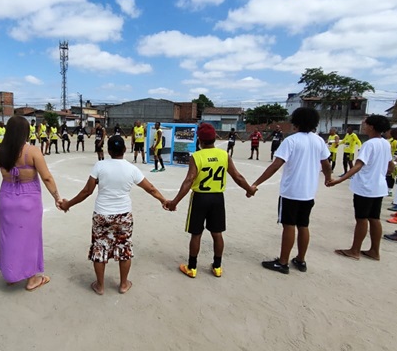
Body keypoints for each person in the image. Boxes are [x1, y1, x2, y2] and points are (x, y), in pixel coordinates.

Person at [59, 136, 166, 295]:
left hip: (102, 214)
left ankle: (100, 286)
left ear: (108, 151)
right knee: (124, 248)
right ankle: (123, 284)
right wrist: (164, 200)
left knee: (99, 248)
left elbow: (87, 192)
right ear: (124, 150)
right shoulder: (131, 169)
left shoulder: (99, 166)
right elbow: (150, 188)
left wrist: (68, 204)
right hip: (123, 216)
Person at [0, 116, 62, 291]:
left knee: (9, 237)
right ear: (26, 132)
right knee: (30, 238)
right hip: (29, 201)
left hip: (7, 199)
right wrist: (57, 197)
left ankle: (11, 275)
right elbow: (47, 177)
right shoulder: (33, 151)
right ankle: (32, 279)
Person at [165, 123, 254, 278]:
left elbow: (189, 181)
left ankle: (192, 267)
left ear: (200, 140)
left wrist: (175, 202)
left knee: (196, 234)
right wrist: (249, 189)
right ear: (214, 138)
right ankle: (217, 266)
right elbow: (238, 177)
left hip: (200, 198)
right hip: (217, 198)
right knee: (217, 233)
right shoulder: (224, 155)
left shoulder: (196, 156)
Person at [250, 107, 332, 274]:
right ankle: (301, 260)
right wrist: (329, 178)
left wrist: (256, 183)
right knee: (304, 225)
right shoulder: (319, 141)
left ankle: (283, 262)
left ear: (296, 123)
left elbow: (275, 166)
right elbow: (326, 164)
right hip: (309, 192)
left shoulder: (291, 141)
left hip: (291, 191)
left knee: (289, 225)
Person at [327, 115, 393, 261]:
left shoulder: (369, 144)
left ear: (372, 127)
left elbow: (358, 165)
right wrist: (383, 172)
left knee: (361, 218)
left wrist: (338, 180)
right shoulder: (385, 143)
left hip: (366, 186)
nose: (364, 126)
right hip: (378, 186)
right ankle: (375, 250)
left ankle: (355, 250)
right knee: (374, 218)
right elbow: (390, 165)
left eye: (366, 124)